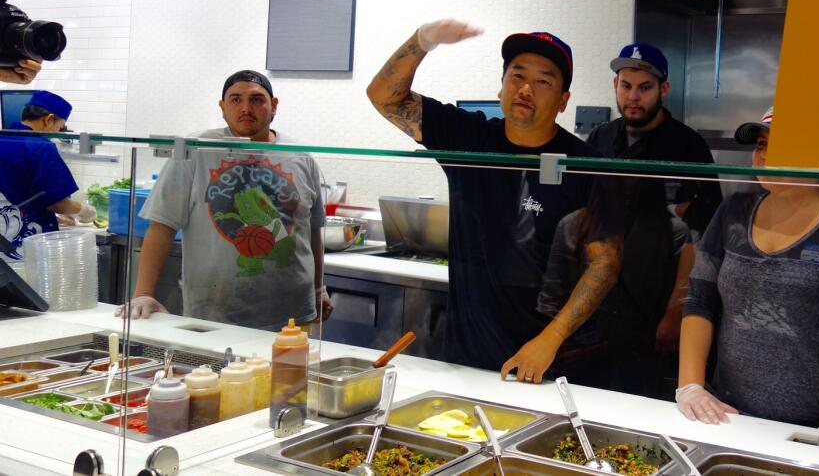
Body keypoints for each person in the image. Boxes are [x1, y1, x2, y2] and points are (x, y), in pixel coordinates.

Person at [367, 20, 620, 382]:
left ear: (563, 101)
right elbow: (384, 97)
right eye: (517, 75)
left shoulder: (586, 165)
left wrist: (550, 339)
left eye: (544, 80)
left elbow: (605, 264)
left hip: (548, 363)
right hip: (466, 358)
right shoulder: (468, 137)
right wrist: (423, 40)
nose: (526, 88)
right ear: (502, 86)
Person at [676, 107, 819, 451]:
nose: (764, 155)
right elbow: (700, 300)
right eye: (760, 144)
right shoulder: (733, 213)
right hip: (731, 420)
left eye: (781, 145)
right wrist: (691, 386)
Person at [115, 70, 334, 330]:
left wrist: (319, 288)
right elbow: (162, 226)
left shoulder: (300, 157)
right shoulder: (194, 151)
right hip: (213, 312)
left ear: (273, 106)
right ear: (222, 107)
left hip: (292, 314)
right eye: (235, 100)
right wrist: (143, 294)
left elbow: (313, 232)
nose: (246, 108)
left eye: (256, 100)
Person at [578, 42, 722, 398]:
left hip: (656, 309)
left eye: (644, 88)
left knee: (644, 405)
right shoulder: (600, 138)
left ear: (664, 89)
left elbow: (700, 238)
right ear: (615, 86)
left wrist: (676, 313)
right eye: (626, 86)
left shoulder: (688, 147)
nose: (633, 97)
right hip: (600, 301)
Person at [0, 90, 96, 251]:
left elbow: (25, 194)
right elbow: (59, 203)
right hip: (23, 241)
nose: (58, 132)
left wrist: (56, 217)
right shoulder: (41, 147)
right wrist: (83, 211)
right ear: (49, 119)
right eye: (60, 127)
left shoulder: (4, 138)